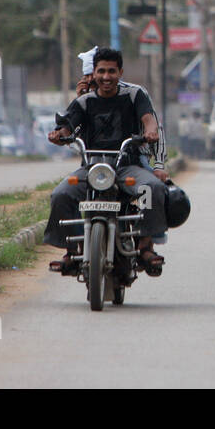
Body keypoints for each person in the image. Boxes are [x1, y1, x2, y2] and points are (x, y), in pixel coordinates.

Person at [44, 47, 169, 275]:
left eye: (111, 71)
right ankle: (72, 251)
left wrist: (151, 132)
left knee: (151, 188)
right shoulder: (84, 102)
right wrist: (59, 135)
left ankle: (145, 246)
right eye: (101, 71)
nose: (106, 77)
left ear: (120, 72)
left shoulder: (134, 94)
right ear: (94, 73)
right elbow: (67, 125)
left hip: (127, 167)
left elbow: (149, 119)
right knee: (61, 194)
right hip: (92, 168)